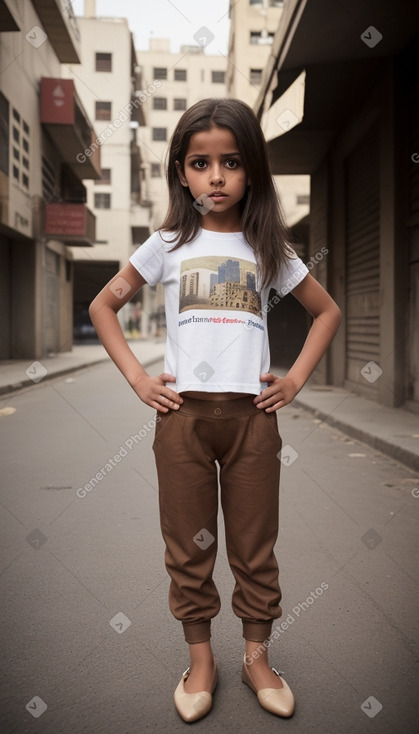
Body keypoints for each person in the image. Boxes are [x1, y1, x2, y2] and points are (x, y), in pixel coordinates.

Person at [89, 98, 342, 723]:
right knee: (188, 548)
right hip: (182, 423)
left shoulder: (268, 247)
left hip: (254, 422)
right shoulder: (166, 245)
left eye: (231, 162)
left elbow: (327, 312)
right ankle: (200, 658)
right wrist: (139, 380)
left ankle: (257, 657)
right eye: (201, 163)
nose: (217, 176)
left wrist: (296, 380)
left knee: (256, 547)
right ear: (182, 172)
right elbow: (103, 306)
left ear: (252, 169)